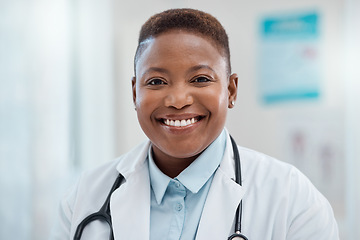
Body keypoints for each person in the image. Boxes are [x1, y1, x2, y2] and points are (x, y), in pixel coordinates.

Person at [51, 8, 339, 240]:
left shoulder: (292, 199)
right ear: (135, 93)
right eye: (156, 81)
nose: (177, 99)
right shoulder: (85, 197)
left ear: (231, 90)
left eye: (200, 79)